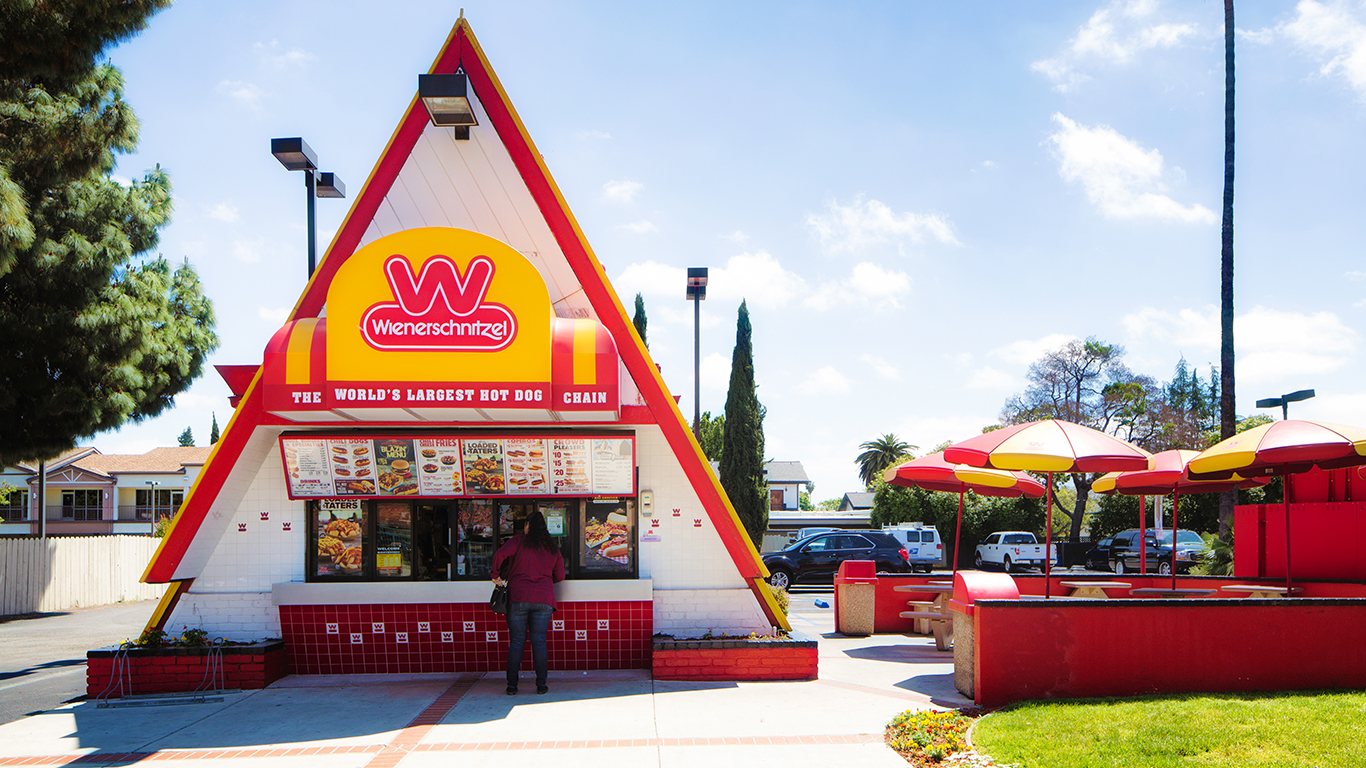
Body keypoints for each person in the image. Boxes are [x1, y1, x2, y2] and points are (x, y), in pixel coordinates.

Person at [491, 508, 564, 695]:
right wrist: (545, 582)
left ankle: (512, 687)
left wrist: (495, 575)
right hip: (544, 599)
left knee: (517, 642)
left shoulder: (518, 541)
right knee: (539, 642)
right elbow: (560, 576)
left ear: (528, 525)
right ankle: (541, 685)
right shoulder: (552, 547)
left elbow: (499, 555)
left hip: (518, 597)